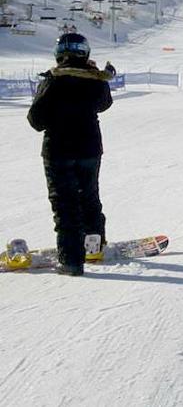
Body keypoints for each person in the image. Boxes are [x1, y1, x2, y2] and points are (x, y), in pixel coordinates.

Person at [26, 33, 113, 275]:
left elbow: (36, 119)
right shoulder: (95, 79)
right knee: (89, 196)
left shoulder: (54, 79)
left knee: (65, 204)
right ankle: (93, 247)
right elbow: (104, 104)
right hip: (89, 148)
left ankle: (72, 261)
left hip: (58, 150)